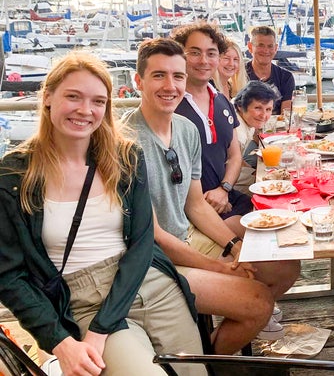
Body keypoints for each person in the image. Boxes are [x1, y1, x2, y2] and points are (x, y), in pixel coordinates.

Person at [0, 52, 203, 376]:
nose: (85, 110)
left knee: (195, 372)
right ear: (48, 97)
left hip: (149, 282)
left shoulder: (126, 158)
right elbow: (9, 275)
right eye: (73, 97)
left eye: (98, 101)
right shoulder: (14, 176)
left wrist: (102, 328)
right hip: (83, 300)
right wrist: (60, 341)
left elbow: (141, 244)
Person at [125, 38, 294, 349]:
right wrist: (219, 266)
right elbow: (154, 235)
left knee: (285, 267)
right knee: (258, 301)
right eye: (159, 75)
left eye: (177, 76)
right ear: (139, 81)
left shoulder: (185, 129)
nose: (170, 86)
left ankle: (212, 349)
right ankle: (207, 362)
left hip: (188, 235)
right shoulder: (126, 143)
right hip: (153, 258)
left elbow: (195, 205)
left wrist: (234, 246)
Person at [172, 23, 249, 236]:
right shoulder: (171, 105)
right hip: (192, 211)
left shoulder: (222, 101)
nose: (204, 60)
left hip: (226, 197)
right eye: (195, 53)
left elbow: (234, 156)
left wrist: (224, 188)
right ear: (180, 55)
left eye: (211, 53)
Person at [232, 80, 280, 191]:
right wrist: (255, 175)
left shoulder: (242, 116)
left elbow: (238, 158)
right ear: (240, 106)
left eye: (268, 109)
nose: (263, 115)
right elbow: (229, 166)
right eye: (258, 108)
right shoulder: (238, 134)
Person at [245, 26, 294, 114]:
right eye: (260, 45)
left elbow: (286, 114)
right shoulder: (239, 74)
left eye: (270, 46)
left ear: (276, 48)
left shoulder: (286, 77)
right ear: (250, 47)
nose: (266, 50)